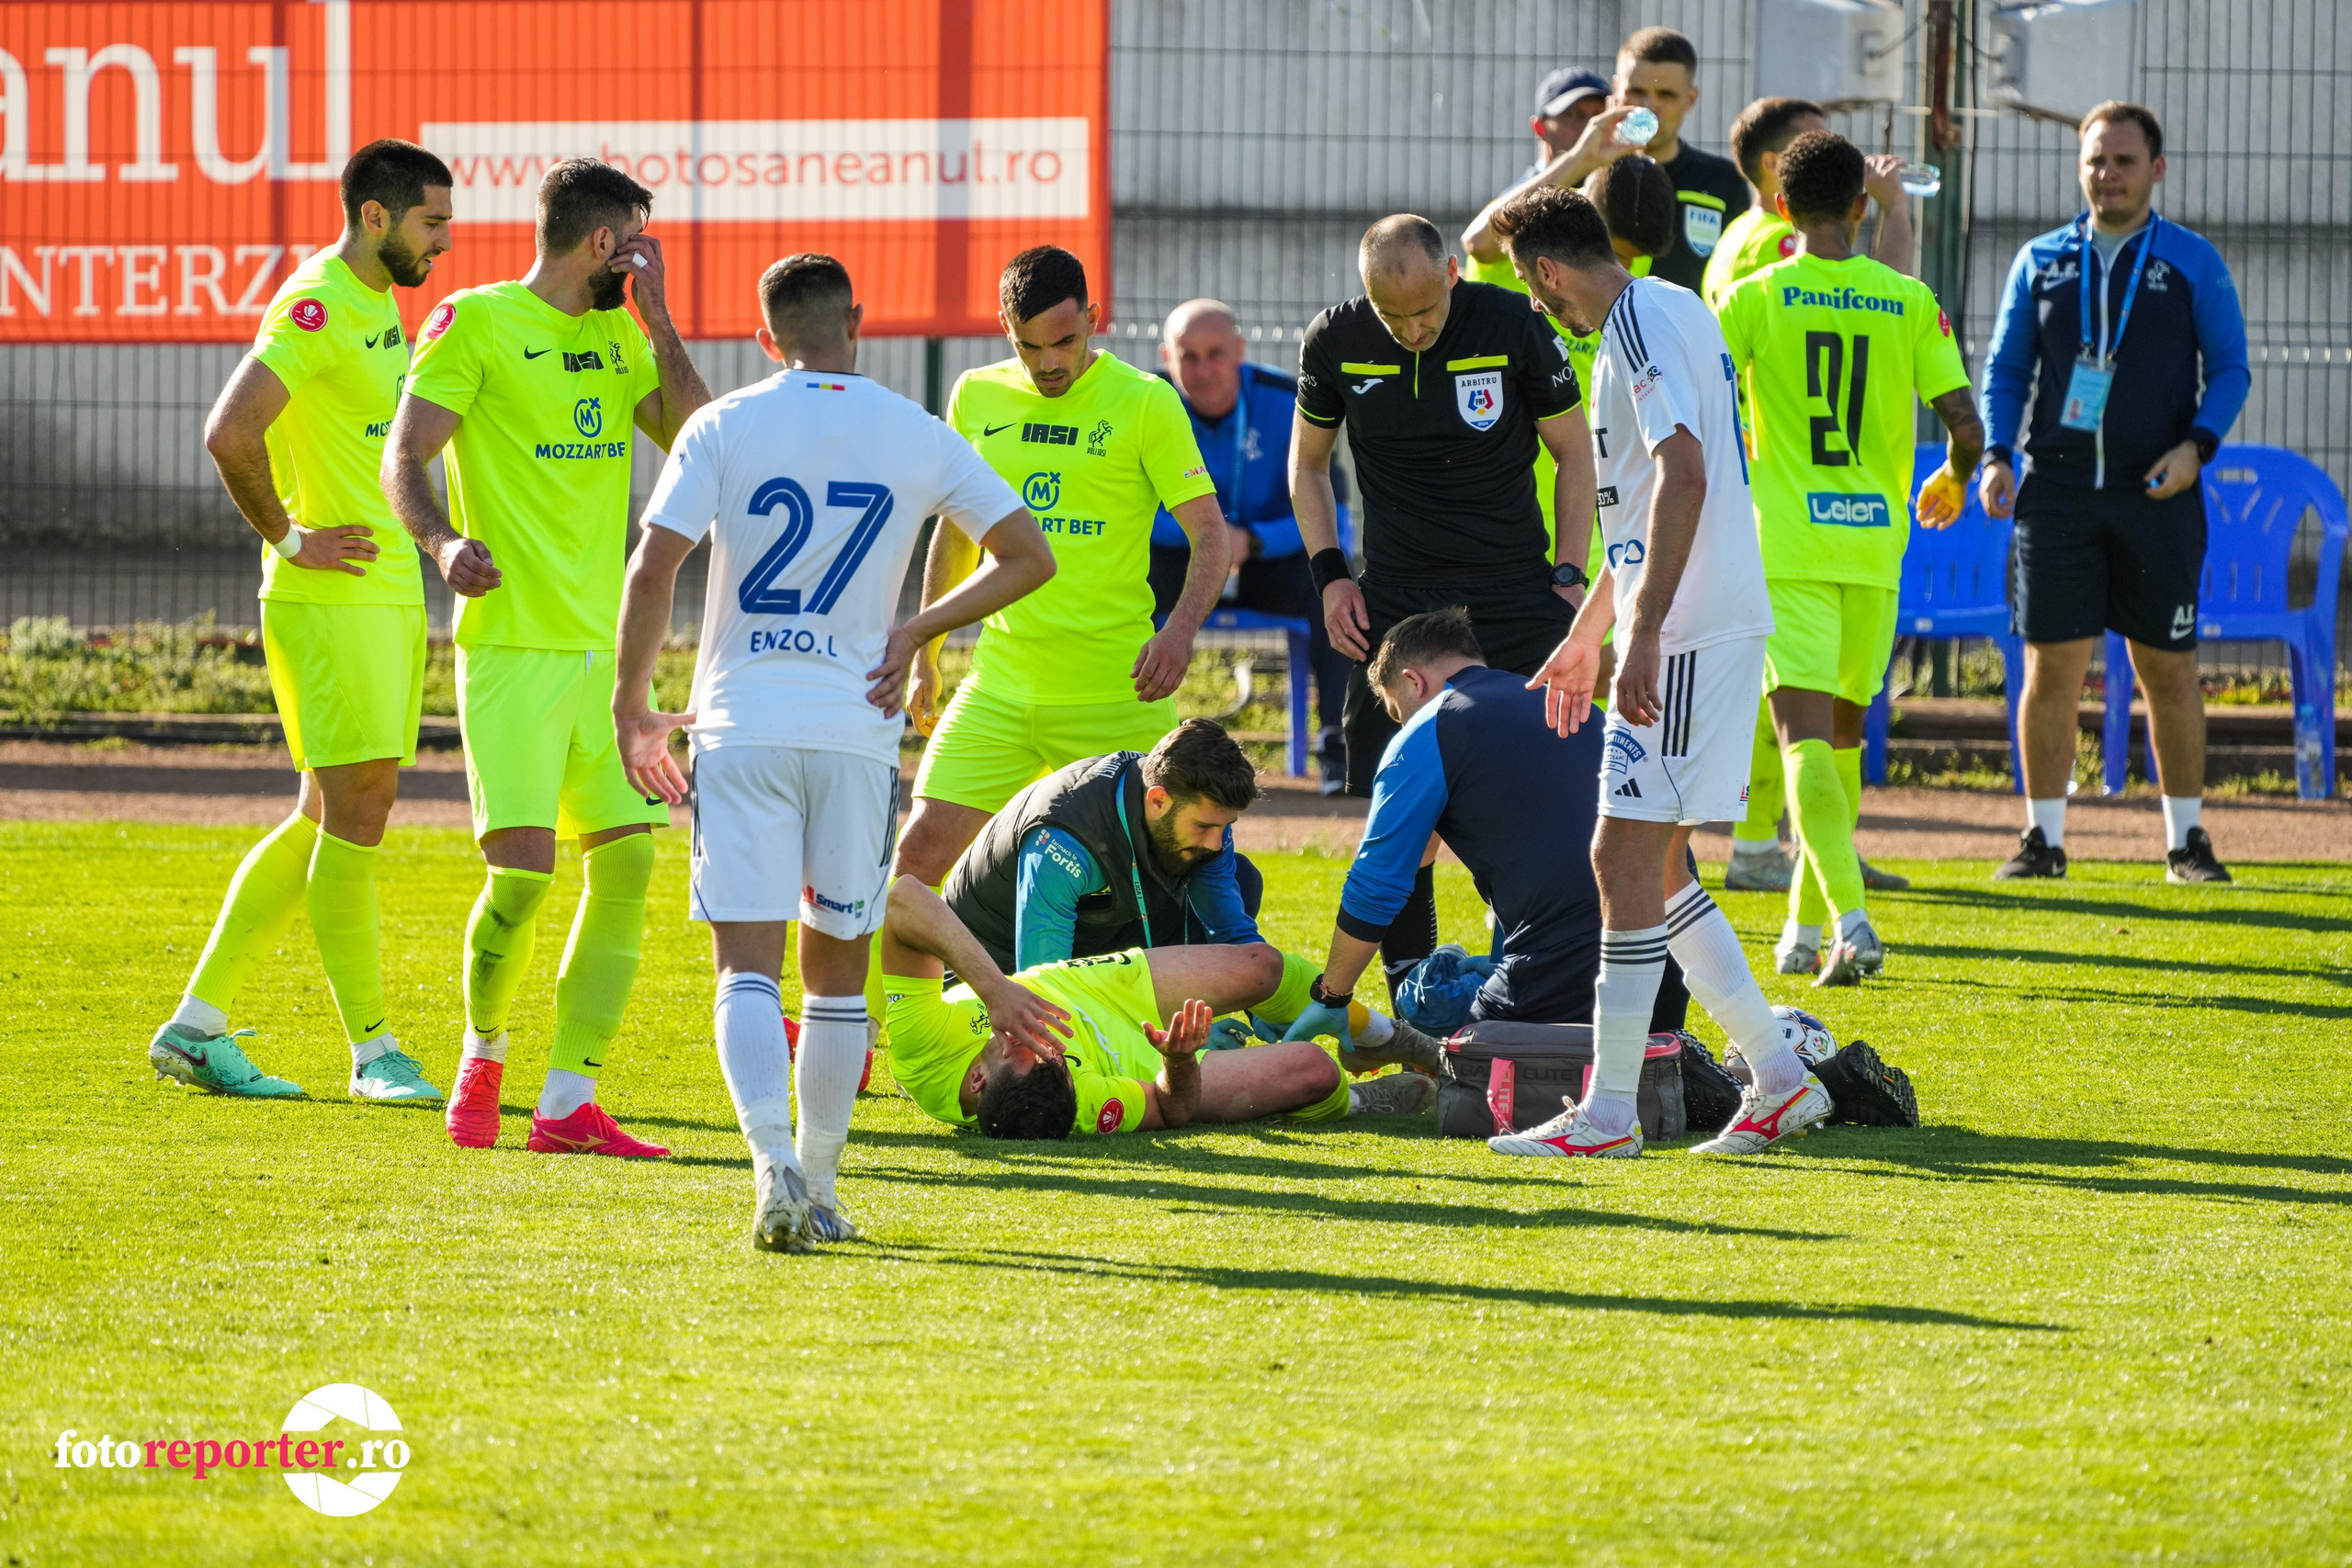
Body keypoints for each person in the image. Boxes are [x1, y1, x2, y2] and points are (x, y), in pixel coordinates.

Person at [606, 254, 1057, 1252]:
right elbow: (1029, 556)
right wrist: (916, 631)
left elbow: (654, 564)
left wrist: (633, 706)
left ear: (766, 339)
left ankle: (769, 1165)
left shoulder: (722, 424)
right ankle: (818, 1184)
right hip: (856, 732)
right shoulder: (917, 429)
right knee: (837, 981)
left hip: (743, 723)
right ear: (862, 320)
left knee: (745, 971)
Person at [1490, 184, 1829, 1157]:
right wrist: (1593, 628)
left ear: (1548, 272)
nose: (1536, 300)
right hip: (1693, 621)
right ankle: (1776, 1076)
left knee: (1620, 856)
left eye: (1529, 282)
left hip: (1683, 634)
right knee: (1656, 862)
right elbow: (1643, 511)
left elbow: (1682, 472)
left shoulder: (1633, 327)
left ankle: (1605, 1117)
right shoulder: (1674, 304)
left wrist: (1637, 637)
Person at [383, 157, 711, 1157]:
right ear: (602, 243)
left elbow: (701, 435)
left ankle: (568, 1101)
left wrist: (657, 320)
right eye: (639, 242)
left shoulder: (623, 333)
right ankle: (482, 1058)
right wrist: (442, 543)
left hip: (605, 664)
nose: (646, 257)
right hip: (513, 652)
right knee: (521, 880)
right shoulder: (475, 322)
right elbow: (405, 452)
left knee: (626, 867)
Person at [148, 140, 455, 1103]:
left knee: (327, 812)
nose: (443, 241)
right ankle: (374, 1054)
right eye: (430, 223)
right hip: (329, 600)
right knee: (359, 807)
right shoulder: (316, 300)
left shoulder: (381, 302)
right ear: (376, 217)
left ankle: (196, 1028)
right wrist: (288, 537)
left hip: (381, 595)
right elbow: (228, 432)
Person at [1292, 215, 1596, 997]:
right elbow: (1309, 466)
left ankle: (1528, 980)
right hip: (1398, 598)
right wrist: (1332, 575)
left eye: (1426, 311)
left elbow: (1573, 452)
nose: (1414, 330)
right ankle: (1406, 994)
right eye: (1394, 318)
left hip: (1514, 590)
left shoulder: (1512, 324)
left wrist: (1569, 569)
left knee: (1540, 796)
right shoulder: (1335, 340)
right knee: (1405, 820)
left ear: (1455, 270)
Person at [1716, 132, 1984, 985]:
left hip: (1789, 542)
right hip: (1875, 545)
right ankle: (1802, 930)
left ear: (1782, 209)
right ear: (1863, 209)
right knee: (1840, 741)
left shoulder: (1753, 296)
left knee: (1799, 738)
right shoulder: (1908, 297)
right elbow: (1968, 427)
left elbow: (1703, 401)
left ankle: (1852, 917)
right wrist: (1951, 475)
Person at [894, 246, 1229, 893]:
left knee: (1176, 871)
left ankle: (1207, 989)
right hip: (1000, 686)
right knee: (916, 858)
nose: (1048, 362)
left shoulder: (1145, 402)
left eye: (1064, 342)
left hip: (1117, 690)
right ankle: (895, 1001)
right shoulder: (976, 393)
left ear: (1095, 320)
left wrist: (1180, 631)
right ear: (1004, 327)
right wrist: (926, 653)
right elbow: (958, 531)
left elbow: (1210, 533)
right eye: (1028, 345)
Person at [1980, 102, 2247, 884]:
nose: (2110, 174)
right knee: (2050, 671)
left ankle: (2186, 843)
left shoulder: (2193, 262)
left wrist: (2197, 447)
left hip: (2157, 495)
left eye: (2125, 161)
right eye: (2096, 160)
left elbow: (2230, 368)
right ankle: (2042, 841)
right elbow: (2005, 371)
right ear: (2079, 166)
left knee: (2168, 666)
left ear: (2156, 170)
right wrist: (1996, 454)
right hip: (2057, 494)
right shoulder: (2039, 260)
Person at [1705, 96, 1920, 898]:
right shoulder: (1776, 253)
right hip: (1798, 510)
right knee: (1811, 713)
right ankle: (1785, 849)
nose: (1845, 158)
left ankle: (1786, 853)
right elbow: (1894, 304)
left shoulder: (1750, 248)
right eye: (1815, 145)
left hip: (1781, 508)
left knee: (1798, 706)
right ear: (1777, 171)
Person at [1303, 606, 1691, 1032]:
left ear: (1414, 681)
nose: (1402, 726)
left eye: (1399, 712)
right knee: (1495, 949)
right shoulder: (1573, 703)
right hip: (1667, 977)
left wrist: (1332, 996)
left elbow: (1375, 884)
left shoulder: (1430, 727)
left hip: (1562, 987)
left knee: (1420, 1003)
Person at [877, 879, 1438, 1141]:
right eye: (1048, 1054)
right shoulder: (1071, 1105)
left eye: (1028, 1044)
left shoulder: (922, 1051)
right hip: (1146, 1052)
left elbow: (904, 899)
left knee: (1261, 966)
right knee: (1313, 1071)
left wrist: (996, 990)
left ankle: (1376, 1031)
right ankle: (1358, 1100)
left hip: (1102, 989)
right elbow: (1171, 1110)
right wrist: (1178, 1061)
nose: (1050, 1042)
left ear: (977, 1073)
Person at [1148, 299, 1354, 791]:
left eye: (1215, 353)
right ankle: (1130, 744)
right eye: (1187, 356)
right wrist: (1209, 536)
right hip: (1183, 561)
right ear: (1166, 355)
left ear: (1240, 349)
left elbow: (1338, 520)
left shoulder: (1288, 400)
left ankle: (1338, 744)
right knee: (1122, 586)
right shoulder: (1145, 403)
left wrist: (1253, 541)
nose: (1202, 370)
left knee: (1335, 589)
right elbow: (1124, 512)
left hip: (1266, 559)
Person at [941, 718, 1272, 976]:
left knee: (1241, 879)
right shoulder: (1062, 838)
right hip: (997, 963)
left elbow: (1231, 932)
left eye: (1226, 826)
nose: (1217, 843)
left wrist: (1275, 999)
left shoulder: (1190, 804)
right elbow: (1042, 982)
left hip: (1092, 934)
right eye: (1204, 827)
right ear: (1158, 801)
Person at [1610, 28, 1750, 294]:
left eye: (1666, 94)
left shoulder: (1723, 181)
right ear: (1617, 90)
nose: (1649, 106)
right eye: (1636, 91)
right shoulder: (1587, 174)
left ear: (1690, 99)